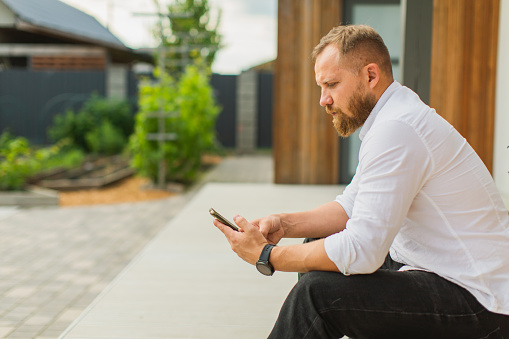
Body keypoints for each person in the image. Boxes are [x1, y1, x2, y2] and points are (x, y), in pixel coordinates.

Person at [213, 24, 509, 338]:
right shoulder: (392, 117)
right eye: (320, 87)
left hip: (482, 300)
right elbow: (350, 207)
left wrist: (267, 256)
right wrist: (283, 224)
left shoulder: (397, 129)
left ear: (370, 76)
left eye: (331, 84)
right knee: (317, 245)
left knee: (317, 297)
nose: (323, 100)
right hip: (441, 270)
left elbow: (363, 250)